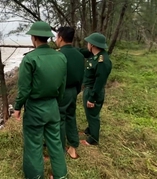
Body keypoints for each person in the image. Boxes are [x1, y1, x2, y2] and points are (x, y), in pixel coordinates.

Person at [13, 21, 68, 179]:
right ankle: (61, 176)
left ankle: (35, 176)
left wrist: (17, 107)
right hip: (53, 106)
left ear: (34, 38)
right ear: (47, 38)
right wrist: (56, 102)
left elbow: (24, 89)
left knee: (33, 144)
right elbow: (62, 86)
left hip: (35, 109)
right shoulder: (61, 57)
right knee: (56, 143)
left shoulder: (29, 59)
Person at [55, 27, 85, 159]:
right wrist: (77, 90)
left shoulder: (59, 55)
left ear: (60, 38)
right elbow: (81, 75)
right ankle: (73, 147)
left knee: (60, 119)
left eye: (56, 37)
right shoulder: (79, 54)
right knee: (71, 117)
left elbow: (55, 78)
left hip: (62, 92)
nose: (56, 40)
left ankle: (59, 150)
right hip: (74, 90)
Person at [79, 32, 112, 146]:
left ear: (92, 45)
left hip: (94, 91)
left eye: (88, 43)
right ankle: (89, 131)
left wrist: (92, 98)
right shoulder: (95, 55)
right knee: (90, 114)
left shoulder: (102, 61)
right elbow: (83, 52)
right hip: (90, 89)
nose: (87, 45)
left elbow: (99, 81)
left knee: (93, 115)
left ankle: (93, 139)